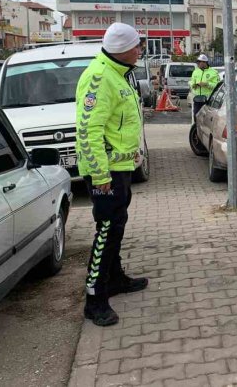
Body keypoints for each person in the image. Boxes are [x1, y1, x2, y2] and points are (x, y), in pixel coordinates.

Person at [75, 22, 149, 327]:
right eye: (137, 46)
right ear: (123, 49)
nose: (140, 50)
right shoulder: (98, 77)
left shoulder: (118, 73)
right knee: (105, 230)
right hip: (105, 173)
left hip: (120, 169)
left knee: (116, 225)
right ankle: (95, 299)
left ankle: (115, 278)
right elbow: (88, 130)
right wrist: (101, 176)